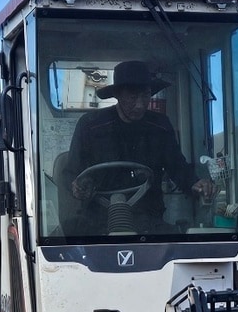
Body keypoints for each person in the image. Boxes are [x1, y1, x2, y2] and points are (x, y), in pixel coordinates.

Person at [62, 60, 214, 234]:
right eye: (133, 97)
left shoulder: (160, 126)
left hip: (148, 218)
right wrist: (78, 186)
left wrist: (195, 183)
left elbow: (177, 166)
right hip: (98, 220)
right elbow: (71, 173)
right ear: (118, 95)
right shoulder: (89, 125)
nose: (140, 104)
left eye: (145, 95)